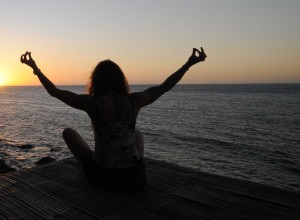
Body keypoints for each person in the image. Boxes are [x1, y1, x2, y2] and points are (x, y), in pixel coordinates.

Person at [20, 47, 207, 191]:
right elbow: (165, 86)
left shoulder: (92, 103)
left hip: (102, 178)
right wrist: (188, 64)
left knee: (68, 133)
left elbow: (55, 92)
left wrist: (35, 68)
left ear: (96, 81)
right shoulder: (135, 101)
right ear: (120, 79)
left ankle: (85, 170)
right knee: (138, 134)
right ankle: (126, 163)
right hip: (135, 179)